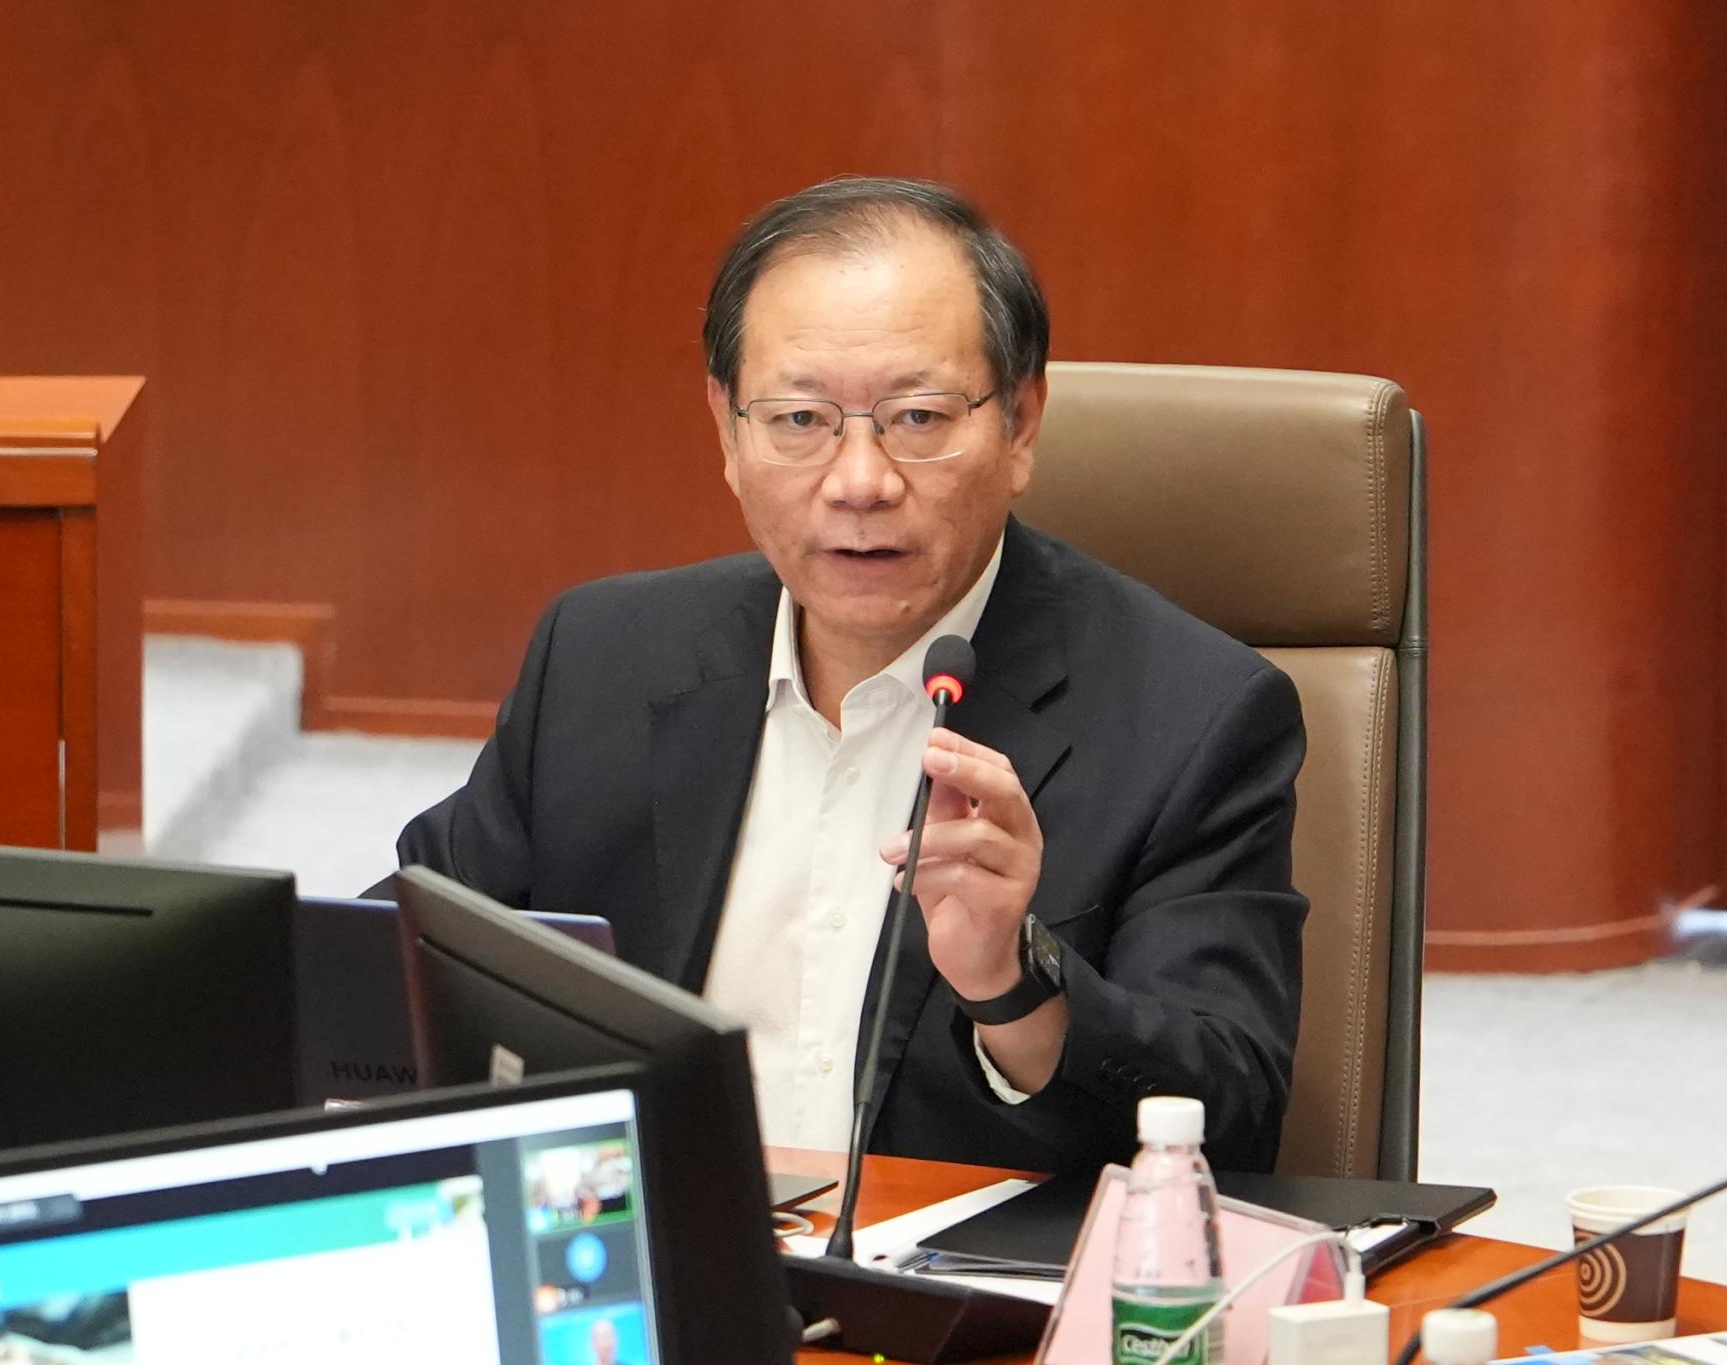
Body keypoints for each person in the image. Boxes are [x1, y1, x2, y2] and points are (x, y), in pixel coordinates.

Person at [394, 176, 1307, 1175]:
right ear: (727, 430)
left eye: (917, 417)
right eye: (799, 419)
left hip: (958, 1272)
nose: (859, 482)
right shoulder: (602, 655)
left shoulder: (1192, 716)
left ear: (1020, 423)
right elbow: (406, 958)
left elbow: (1232, 1113)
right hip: (637, 1244)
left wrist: (1015, 983)